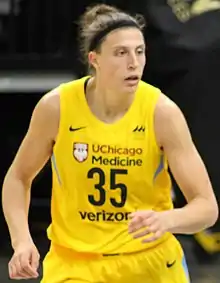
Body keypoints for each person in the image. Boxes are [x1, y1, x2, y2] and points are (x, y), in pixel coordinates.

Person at [2, 4, 218, 283]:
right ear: (95, 59)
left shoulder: (161, 112)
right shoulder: (56, 107)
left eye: (140, 52)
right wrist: (21, 241)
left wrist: (168, 220)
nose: (134, 63)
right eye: (121, 53)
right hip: (74, 264)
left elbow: (207, 207)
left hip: (148, 262)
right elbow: (18, 178)